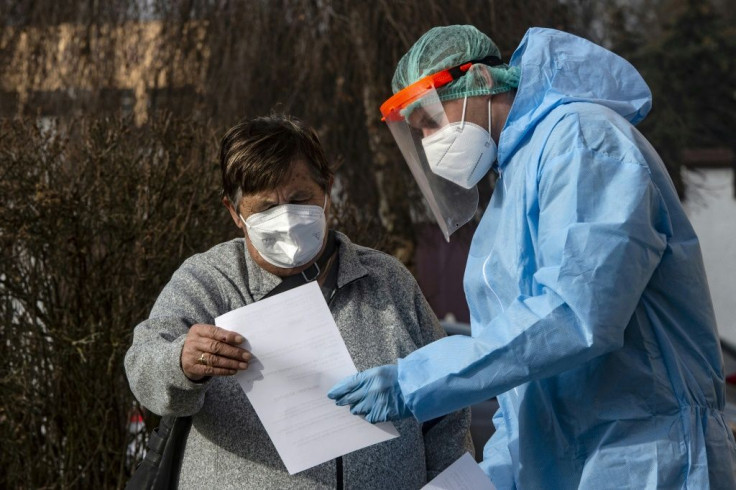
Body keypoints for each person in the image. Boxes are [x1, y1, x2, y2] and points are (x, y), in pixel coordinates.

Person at [328, 26, 736, 488]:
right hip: (577, 464)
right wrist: (491, 478)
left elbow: (576, 313)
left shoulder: (583, 141)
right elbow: (521, 386)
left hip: (649, 460)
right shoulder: (515, 182)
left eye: (431, 121)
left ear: (480, 79)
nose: (429, 143)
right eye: (418, 132)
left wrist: (417, 379)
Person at [124, 114, 473, 489]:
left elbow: (447, 405)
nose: (286, 218)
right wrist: (183, 362)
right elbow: (143, 367)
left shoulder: (386, 281)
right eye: (265, 208)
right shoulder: (208, 281)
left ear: (327, 190)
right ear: (235, 213)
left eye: (299, 198)